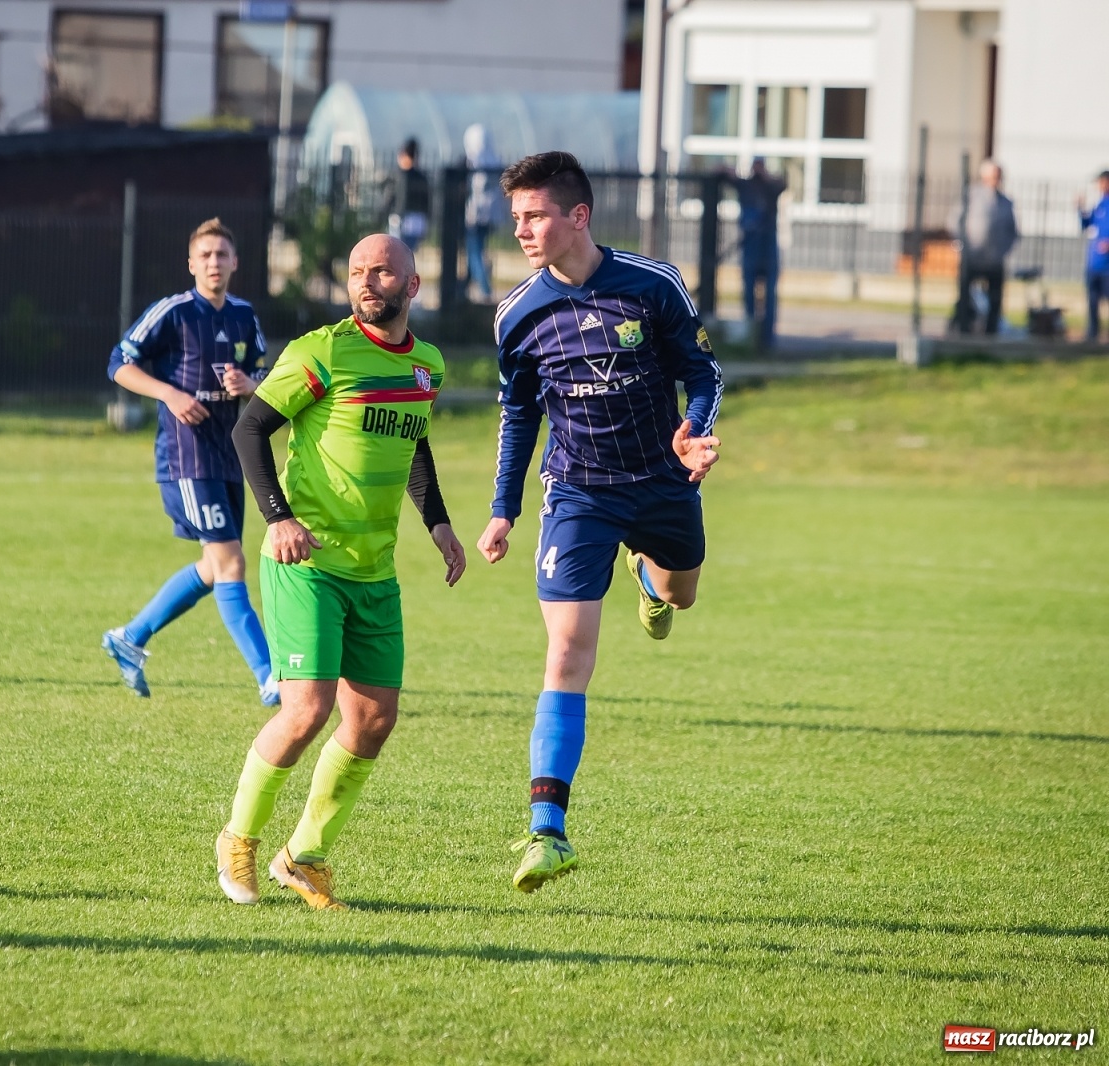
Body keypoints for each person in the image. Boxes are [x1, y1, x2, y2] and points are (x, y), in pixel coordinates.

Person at [477, 152, 723, 893]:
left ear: (577, 216)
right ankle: (547, 831)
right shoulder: (518, 315)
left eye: (535, 216)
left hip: (662, 480)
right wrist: (502, 510)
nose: (521, 229)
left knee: (681, 596)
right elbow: (518, 414)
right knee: (567, 654)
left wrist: (697, 429)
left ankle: (647, 571)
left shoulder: (654, 285)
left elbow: (703, 373)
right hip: (578, 492)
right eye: (516, 217)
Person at [216, 234, 467, 910]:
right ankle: (237, 838)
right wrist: (277, 517)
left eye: (382, 271)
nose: (367, 281)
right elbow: (248, 429)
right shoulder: (322, 352)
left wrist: (437, 522)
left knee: (374, 720)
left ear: (412, 285)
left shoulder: (427, 367)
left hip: (374, 570)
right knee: (306, 711)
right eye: (357, 271)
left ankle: (303, 856)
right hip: (307, 564)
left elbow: (412, 442)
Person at [102, 217, 278, 706]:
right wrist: (170, 394)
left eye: (222, 255)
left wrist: (252, 385)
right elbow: (119, 362)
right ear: (191, 264)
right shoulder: (174, 312)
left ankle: (130, 637)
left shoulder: (244, 315)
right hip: (186, 456)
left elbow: (262, 371)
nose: (214, 263)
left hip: (227, 453)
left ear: (235, 261)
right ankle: (269, 676)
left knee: (212, 565)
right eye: (205, 256)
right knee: (231, 562)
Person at [949, 159, 1020, 336]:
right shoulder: (972, 196)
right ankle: (963, 330)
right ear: (984, 177)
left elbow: (1013, 231)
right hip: (972, 256)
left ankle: (991, 332)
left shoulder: (1006, 202)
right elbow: (953, 221)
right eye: (993, 176)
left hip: (994, 259)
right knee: (965, 295)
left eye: (999, 176)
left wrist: (1004, 250)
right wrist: (962, 244)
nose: (997, 179)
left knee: (995, 297)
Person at [727, 158, 786, 348]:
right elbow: (725, 176)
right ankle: (751, 333)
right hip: (752, 242)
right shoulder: (745, 186)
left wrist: (766, 177)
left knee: (768, 293)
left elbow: (782, 184)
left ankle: (767, 338)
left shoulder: (771, 187)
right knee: (749, 291)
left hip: (766, 243)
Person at [463, 124, 502, 302]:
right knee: (478, 248)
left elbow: (476, 189)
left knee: (474, 250)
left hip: (475, 214)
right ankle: (464, 285)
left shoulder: (475, 160)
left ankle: (485, 288)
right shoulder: (494, 160)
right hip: (491, 214)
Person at [1077, 171, 1109, 342]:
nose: (1101, 186)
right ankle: (1092, 332)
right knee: (1093, 300)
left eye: (1103, 182)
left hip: (1107, 266)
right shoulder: (1100, 205)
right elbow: (1087, 224)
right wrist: (1080, 209)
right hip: (1094, 263)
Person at [385, 138, 432, 248]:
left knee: (398, 250)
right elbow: (427, 201)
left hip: (401, 218)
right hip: (416, 220)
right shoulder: (421, 177)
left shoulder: (400, 176)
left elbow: (392, 197)